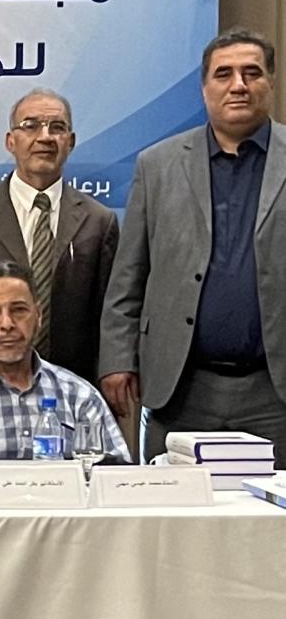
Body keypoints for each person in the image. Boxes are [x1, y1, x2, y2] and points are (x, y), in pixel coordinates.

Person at [101, 29, 286, 465]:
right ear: (204, 88)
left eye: (251, 73)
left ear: (270, 83)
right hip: (182, 389)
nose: (238, 85)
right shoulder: (157, 165)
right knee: (175, 505)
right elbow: (129, 276)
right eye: (224, 74)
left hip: (274, 391)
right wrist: (117, 359)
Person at [0, 88, 118, 390]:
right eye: (31, 126)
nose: (45, 137)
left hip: (70, 394)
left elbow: (109, 321)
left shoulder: (99, 221)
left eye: (57, 127)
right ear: (10, 141)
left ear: (70, 142)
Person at [0, 260, 128, 466]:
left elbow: (118, 478)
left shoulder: (80, 397)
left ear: (38, 315)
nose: (6, 324)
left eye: (18, 310)